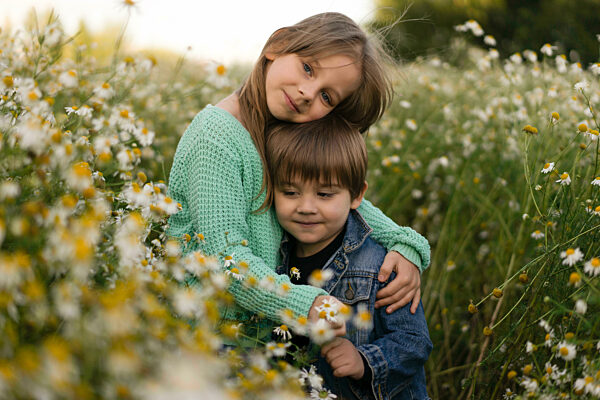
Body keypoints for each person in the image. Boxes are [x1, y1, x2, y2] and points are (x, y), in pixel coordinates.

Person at [166, 12, 431, 345]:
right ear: (277, 46)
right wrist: (307, 303)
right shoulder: (216, 137)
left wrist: (405, 244)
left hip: (256, 336)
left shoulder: (279, 126)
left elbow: (341, 196)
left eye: (327, 97)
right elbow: (223, 259)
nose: (308, 92)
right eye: (308, 68)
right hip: (206, 336)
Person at [267, 115, 432, 400]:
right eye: (290, 192)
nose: (306, 207)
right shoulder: (271, 255)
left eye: (325, 194)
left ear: (357, 195)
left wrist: (363, 362)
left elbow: (414, 342)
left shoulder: (381, 266)